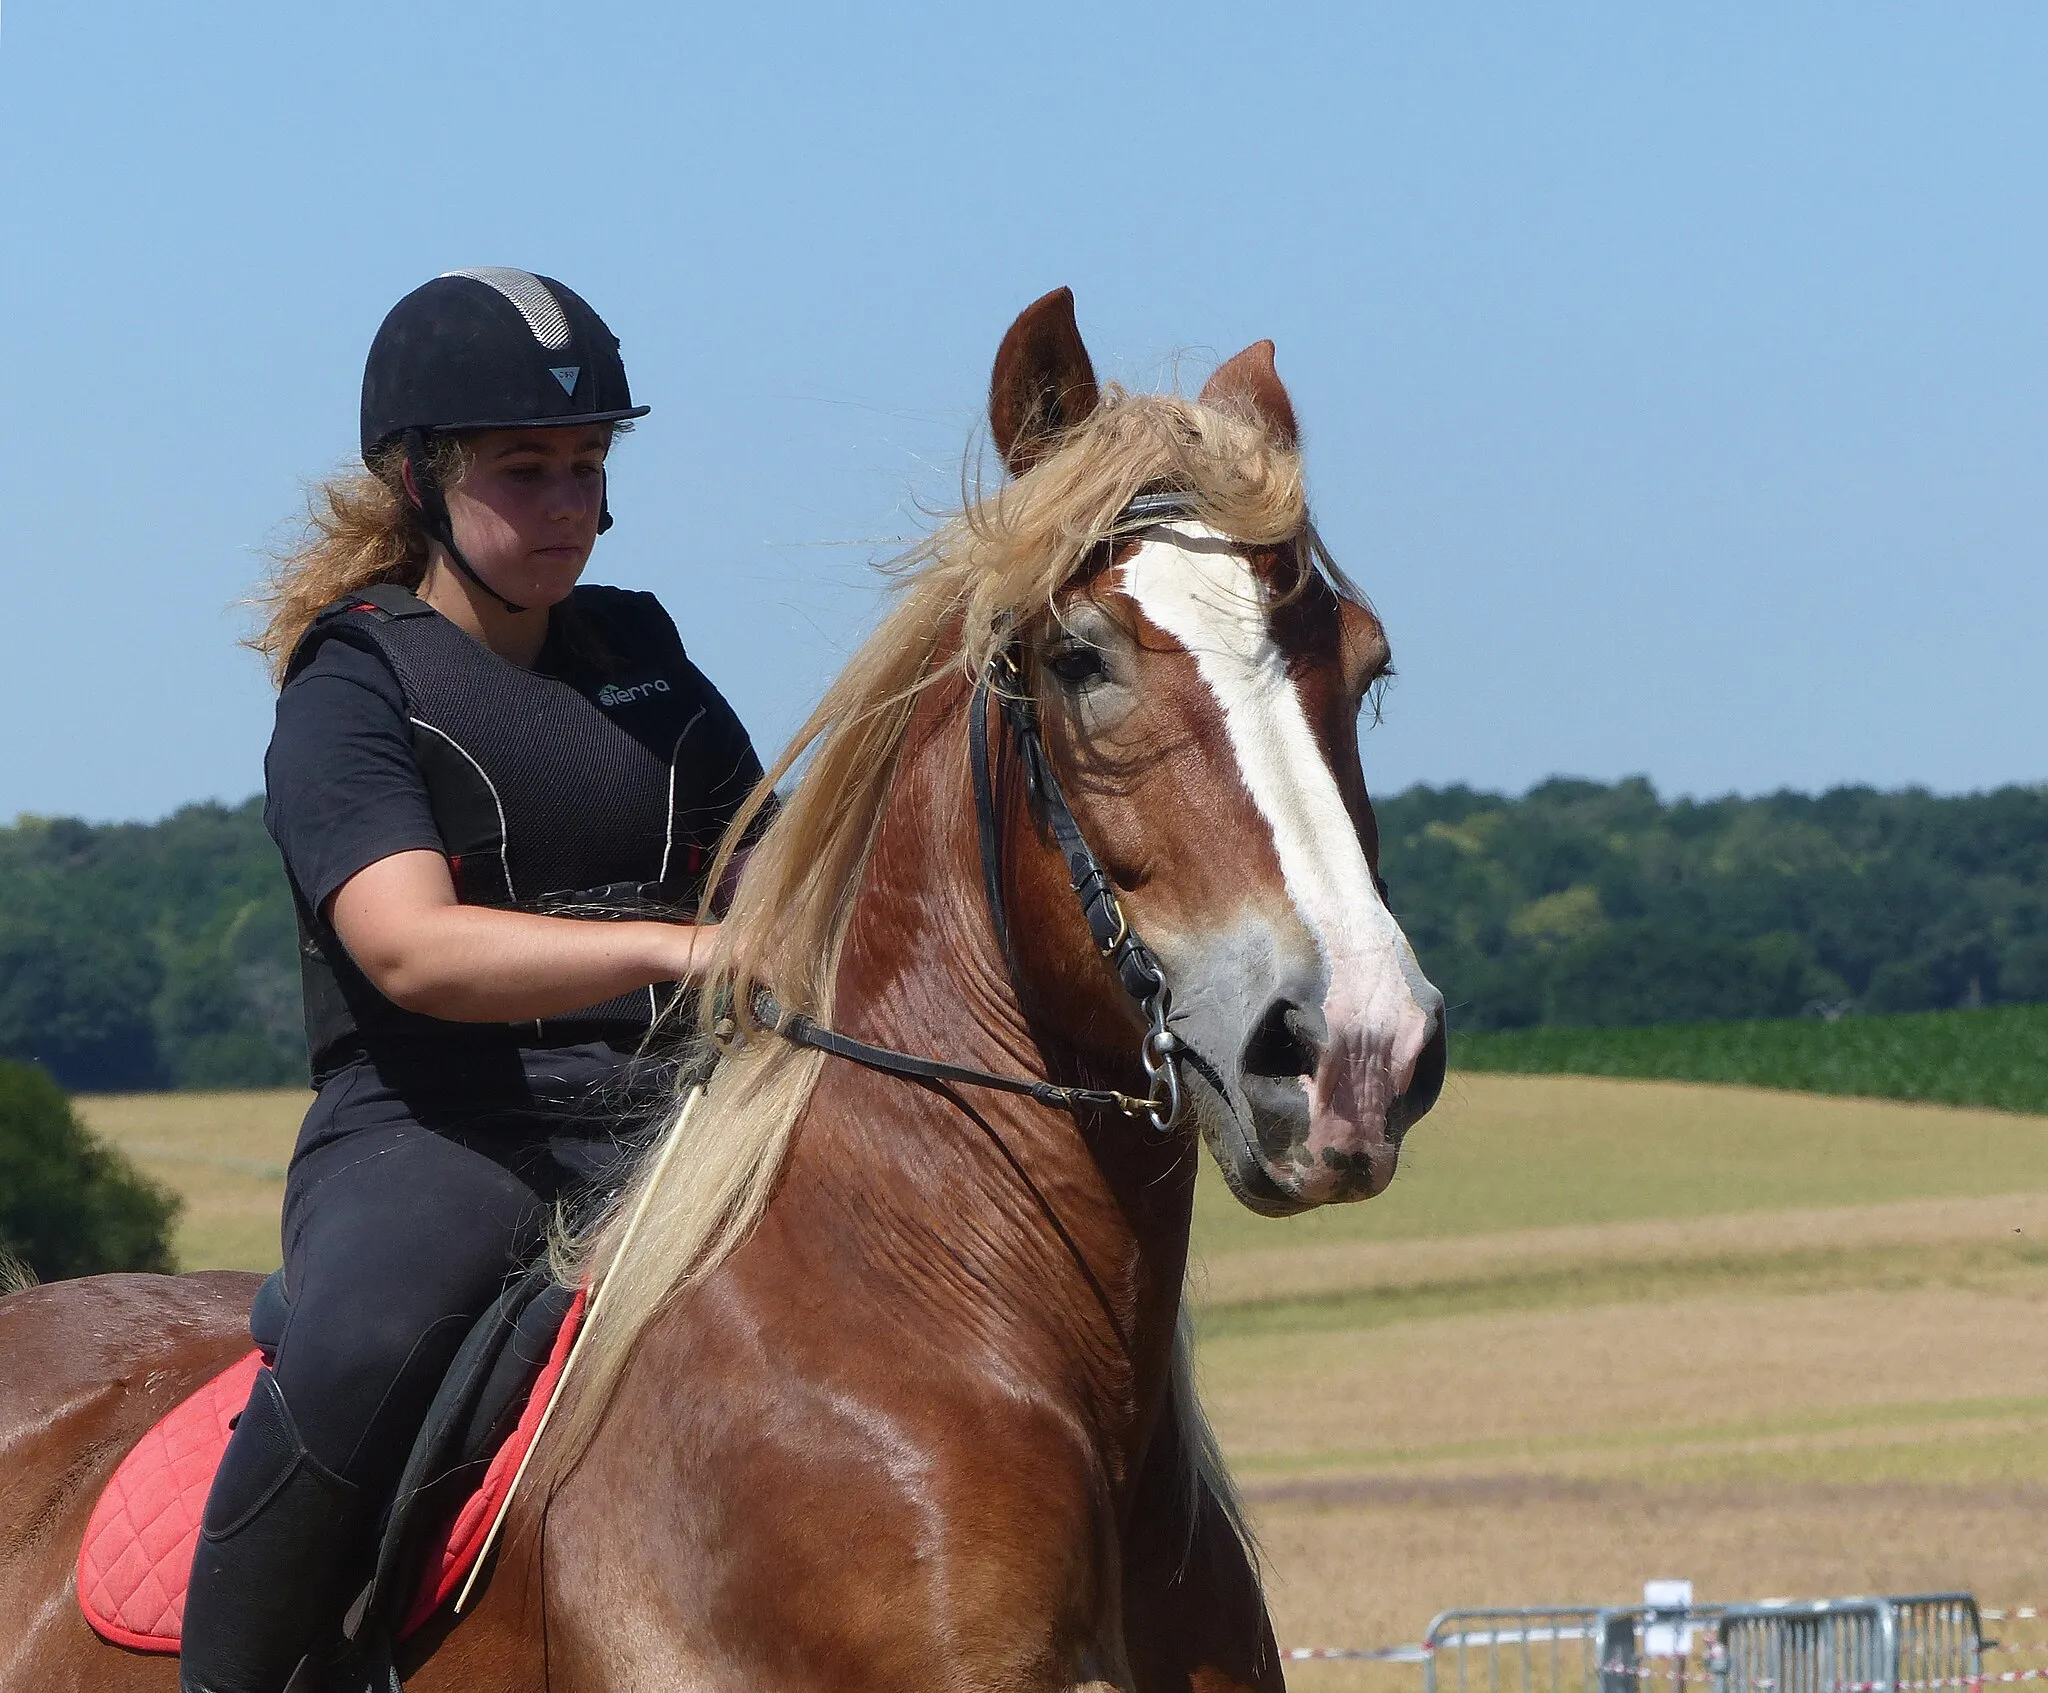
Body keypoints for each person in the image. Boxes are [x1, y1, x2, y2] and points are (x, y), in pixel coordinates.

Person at [179, 269, 764, 1693]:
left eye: (589, 465)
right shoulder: (353, 687)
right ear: (418, 479)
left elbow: (773, 870)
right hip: (442, 1129)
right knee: (363, 1343)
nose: (571, 503)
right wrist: (674, 949)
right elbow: (410, 948)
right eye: (526, 470)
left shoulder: (647, 654)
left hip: (675, 1111)